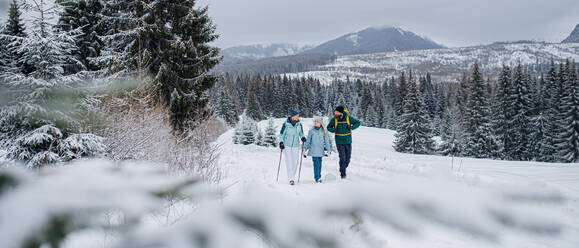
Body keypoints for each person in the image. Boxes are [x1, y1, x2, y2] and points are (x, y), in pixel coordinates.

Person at [327, 106, 361, 179]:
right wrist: (333, 130)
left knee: (347, 159)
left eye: (337, 112)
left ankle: (343, 168)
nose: (335, 114)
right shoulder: (334, 119)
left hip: (348, 140)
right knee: (342, 157)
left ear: (341, 113)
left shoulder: (348, 118)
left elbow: (358, 123)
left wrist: (351, 127)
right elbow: (328, 127)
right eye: (335, 112)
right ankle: (343, 174)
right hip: (339, 141)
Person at [279, 109, 306, 185]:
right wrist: (281, 142)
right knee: (289, 162)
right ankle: (291, 179)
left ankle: (292, 176)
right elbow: (281, 134)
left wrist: (302, 137)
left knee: (296, 162)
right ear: (292, 116)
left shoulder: (299, 124)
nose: (298, 117)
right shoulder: (286, 124)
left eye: (298, 116)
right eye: (297, 116)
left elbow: (301, 133)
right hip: (287, 145)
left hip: (295, 145)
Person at [304, 117, 332, 183]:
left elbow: (326, 141)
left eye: (317, 122)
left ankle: (318, 176)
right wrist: (304, 149)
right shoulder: (311, 131)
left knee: (319, 164)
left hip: (320, 151)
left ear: (320, 123)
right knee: (316, 164)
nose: (315, 123)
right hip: (313, 150)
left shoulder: (324, 131)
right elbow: (308, 141)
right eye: (315, 121)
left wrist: (329, 150)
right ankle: (317, 178)